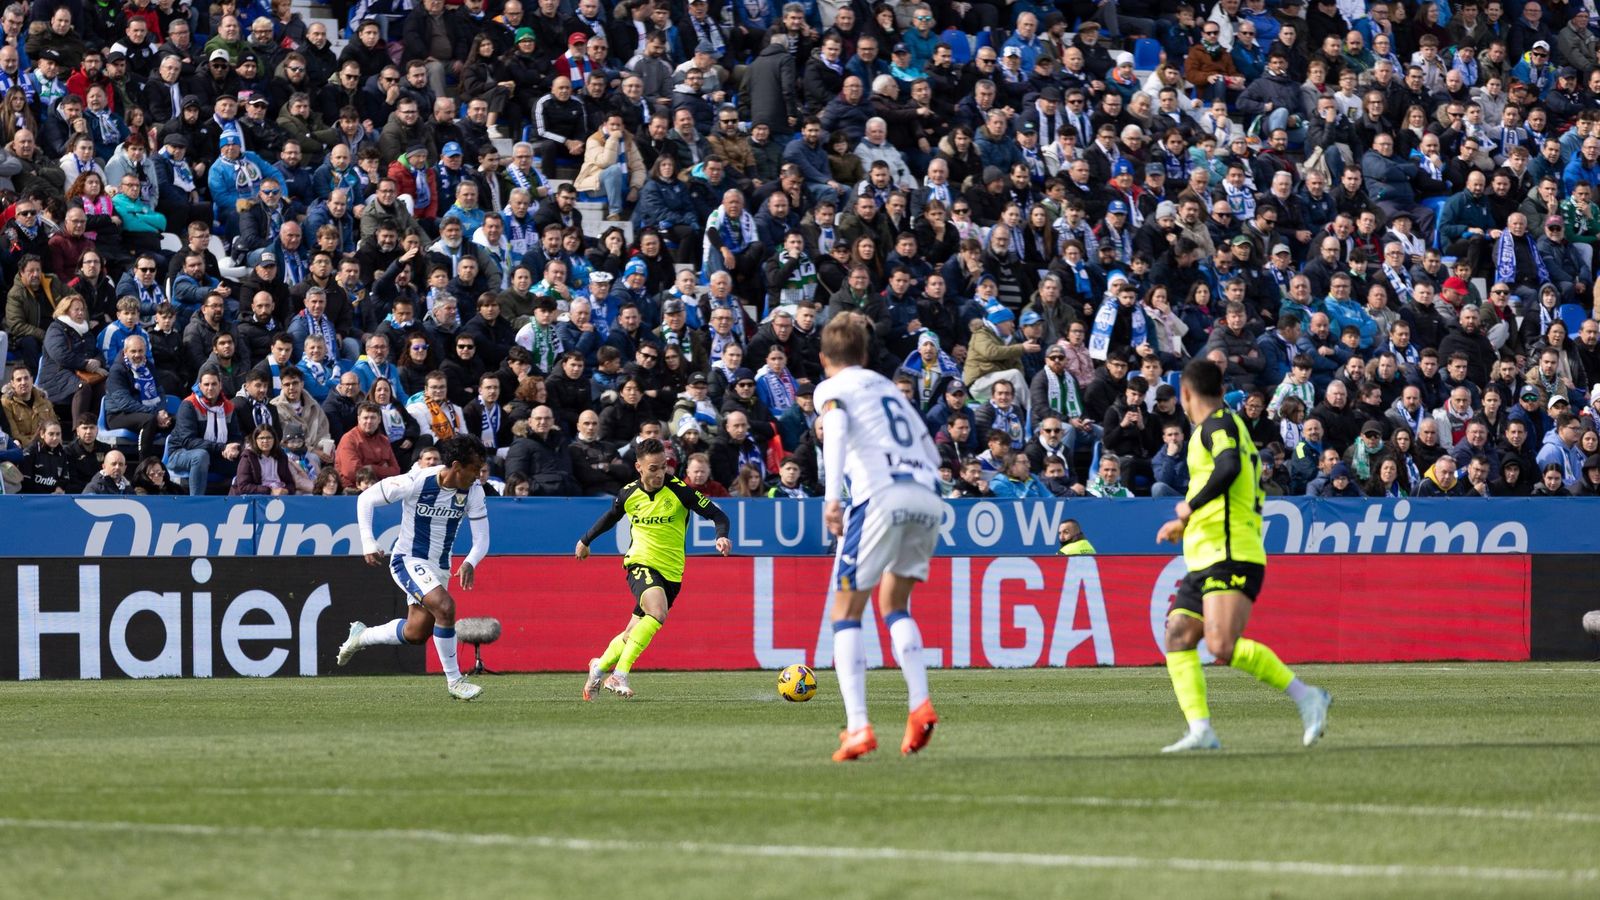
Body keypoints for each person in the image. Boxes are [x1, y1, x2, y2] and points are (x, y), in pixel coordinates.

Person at [1155, 358, 1331, 753]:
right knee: (1179, 634)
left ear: (1185, 393)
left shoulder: (1216, 425)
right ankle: (1201, 730)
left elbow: (1229, 467)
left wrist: (1187, 508)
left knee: (1220, 645)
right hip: (1207, 552)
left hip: (1231, 550)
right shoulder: (1223, 425)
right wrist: (1189, 523)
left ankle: (1308, 697)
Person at [810, 315, 943, 761]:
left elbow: (837, 428)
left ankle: (858, 726)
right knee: (895, 603)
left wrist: (832, 498)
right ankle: (919, 702)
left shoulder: (832, 388)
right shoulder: (890, 389)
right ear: (865, 356)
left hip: (878, 497)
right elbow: (932, 450)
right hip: (926, 497)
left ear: (825, 358)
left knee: (845, 612)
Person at [574, 436, 732, 700]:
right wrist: (585, 540)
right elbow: (610, 518)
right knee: (658, 612)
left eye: (664, 466)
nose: (660, 473)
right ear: (639, 467)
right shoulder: (628, 494)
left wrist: (721, 535)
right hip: (640, 562)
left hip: (671, 572)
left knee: (630, 633)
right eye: (653, 468)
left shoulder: (680, 490)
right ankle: (619, 675)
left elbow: (718, 514)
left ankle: (598, 667)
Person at [336, 436, 492, 702]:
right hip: (408, 559)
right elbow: (366, 499)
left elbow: (482, 539)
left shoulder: (474, 491)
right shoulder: (417, 480)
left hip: (440, 567)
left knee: (416, 633)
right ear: (456, 466)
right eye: (475, 468)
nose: (479, 475)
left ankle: (362, 636)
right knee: (445, 607)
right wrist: (368, 541)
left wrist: (470, 561)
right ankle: (455, 681)